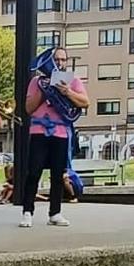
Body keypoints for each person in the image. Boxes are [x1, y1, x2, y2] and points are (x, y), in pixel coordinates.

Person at [20, 46, 88, 226]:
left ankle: (55, 213)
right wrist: (45, 90)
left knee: (58, 174)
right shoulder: (36, 81)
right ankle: (27, 212)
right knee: (33, 172)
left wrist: (67, 92)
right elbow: (28, 108)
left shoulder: (72, 80)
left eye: (62, 60)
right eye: (56, 60)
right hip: (39, 131)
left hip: (60, 133)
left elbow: (85, 102)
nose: (59, 63)